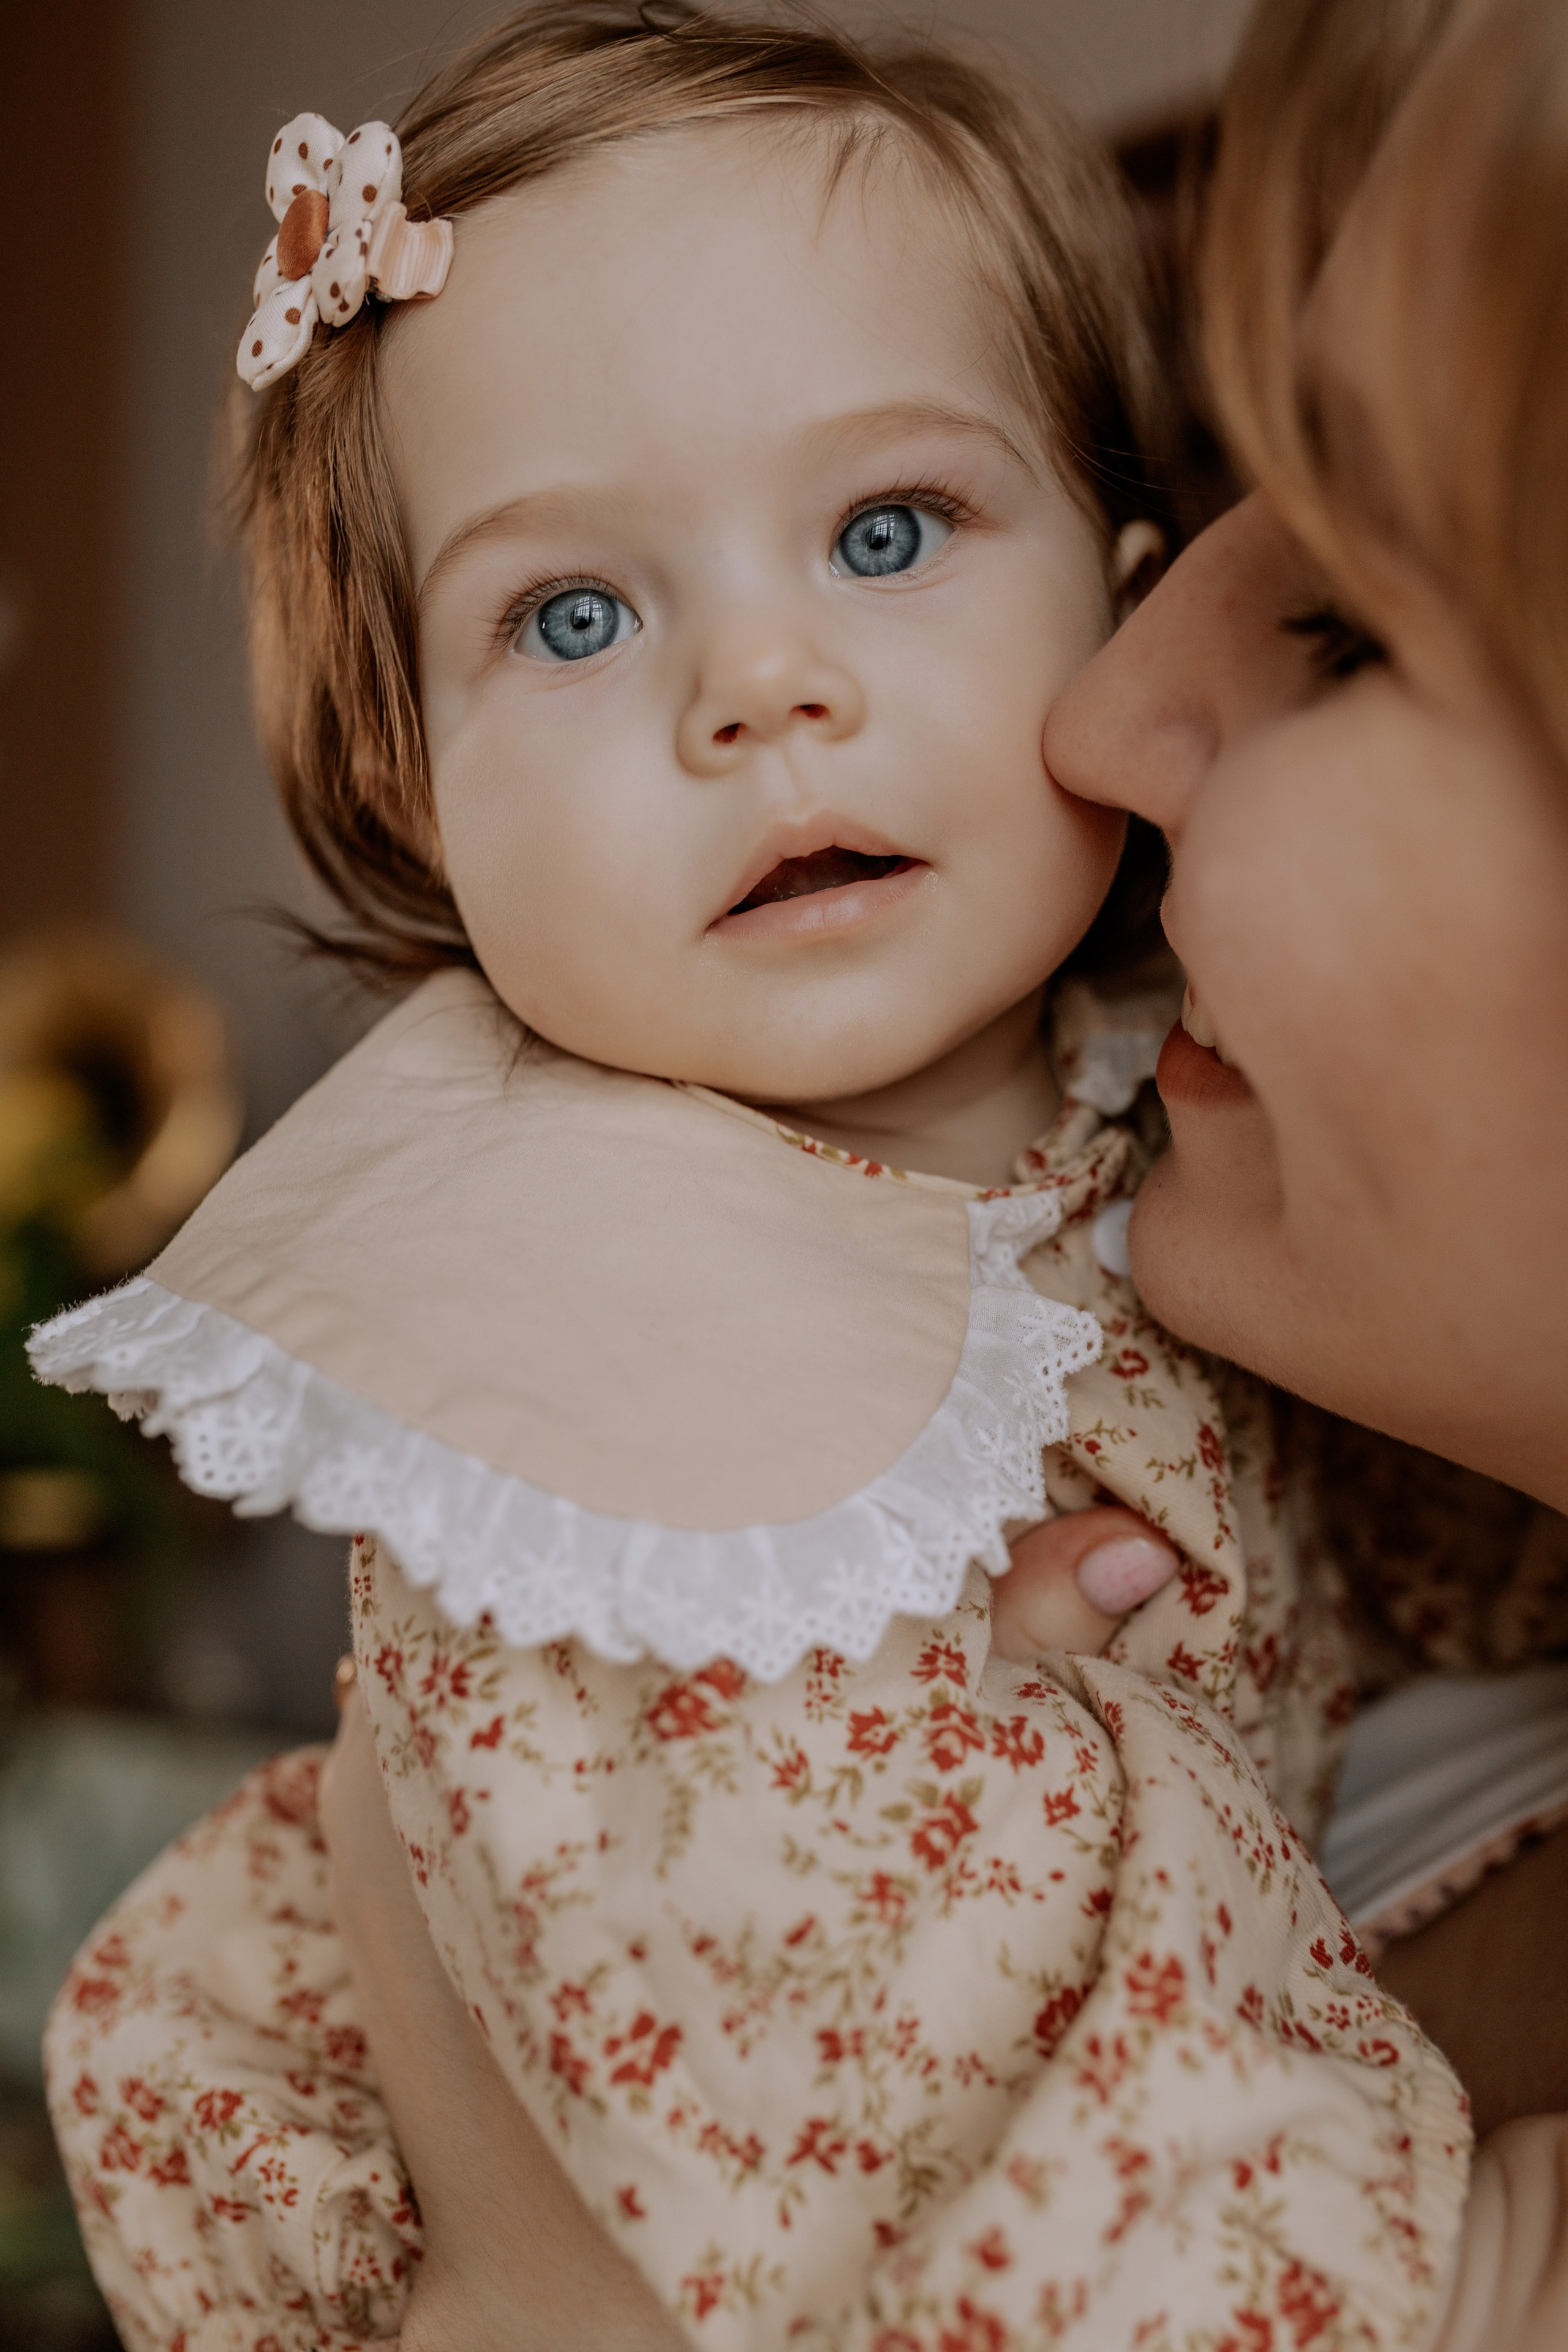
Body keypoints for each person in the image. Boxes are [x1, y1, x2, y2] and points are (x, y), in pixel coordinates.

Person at [32, 6, 1482, 2349]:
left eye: (887, 532)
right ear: (420, 795)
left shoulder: (1177, 1094)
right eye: (576, 616)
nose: (761, 684)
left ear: (1118, 604)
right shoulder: (575, 1326)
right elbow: (814, 2130)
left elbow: (1421, 1570)